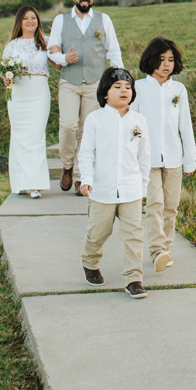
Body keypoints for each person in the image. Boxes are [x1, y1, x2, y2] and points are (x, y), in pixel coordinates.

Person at [78, 67, 151, 299]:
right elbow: (86, 153)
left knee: (134, 235)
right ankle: (90, 263)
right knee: (98, 232)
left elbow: (144, 156)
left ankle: (133, 279)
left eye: (128, 87)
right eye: (117, 87)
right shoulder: (95, 119)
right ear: (105, 93)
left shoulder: (139, 121)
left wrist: (143, 186)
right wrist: (86, 179)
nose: (123, 91)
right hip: (102, 190)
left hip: (131, 189)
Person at [48, 0, 124, 195]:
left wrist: (120, 79)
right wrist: (64, 58)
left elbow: (113, 51)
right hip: (69, 82)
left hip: (95, 83)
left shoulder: (104, 19)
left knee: (86, 130)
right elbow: (52, 50)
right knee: (68, 125)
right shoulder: (61, 20)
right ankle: (67, 166)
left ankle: (81, 176)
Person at [132, 37, 196, 272]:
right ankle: (157, 250)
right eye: (161, 60)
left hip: (173, 156)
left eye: (170, 60)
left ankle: (166, 249)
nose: (166, 65)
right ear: (151, 60)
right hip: (147, 159)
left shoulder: (178, 90)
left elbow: (185, 126)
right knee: (155, 204)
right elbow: (133, 125)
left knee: (171, 206)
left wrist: (190, 159)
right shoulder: (138, 88)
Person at [1, 6, 64, 198]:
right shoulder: (12, 45)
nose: (30, 21)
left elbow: (58, 65)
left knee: (36, 136)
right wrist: (6, 79)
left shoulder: (46, 42)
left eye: (33, 18)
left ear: (38, 21)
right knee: (19, 137)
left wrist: (61, 54)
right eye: (26, 18)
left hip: (38, 93)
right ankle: (21, 183)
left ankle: (35, 184)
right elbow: (5, 71)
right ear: (19, 22)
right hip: (17, 94)